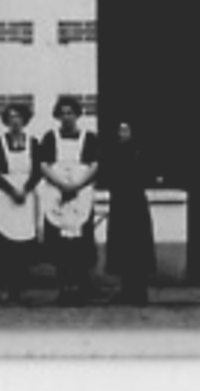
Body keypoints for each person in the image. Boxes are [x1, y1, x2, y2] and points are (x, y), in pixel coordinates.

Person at [35, 95, 100, 304]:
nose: (67, 117)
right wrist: (62, 185)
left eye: (70, 113)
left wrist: (77, 185)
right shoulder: (50, 137)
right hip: (57, 195)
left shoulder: (89, 138)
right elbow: (43, 165)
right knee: (60, 243)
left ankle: (82, 286)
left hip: (81, 194)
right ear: (57, 116)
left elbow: (95, 165)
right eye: (62, 113)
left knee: (81, 241)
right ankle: (63, 286)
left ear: (77, 115)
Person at [0, 102, 41, 303]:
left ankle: (20, 287)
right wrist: (11, 190)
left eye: (18, 117)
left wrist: (26, 190)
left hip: (26, 196)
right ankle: (6, 287)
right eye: (10, 118)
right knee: (6, 242)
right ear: (5, 121)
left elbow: (38, 171)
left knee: (23, 242)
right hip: (5, 195)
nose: (15, 121)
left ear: (25, 120)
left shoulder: (33, 143)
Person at [102, 119, 156, 305]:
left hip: (135, 203)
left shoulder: (139, 152)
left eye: (125, 130)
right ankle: (127, 289)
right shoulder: (113, 152)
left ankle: (140, 291)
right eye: (119, 130)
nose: (121, 134)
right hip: (120, 203)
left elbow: (147, 174)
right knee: (123, 246)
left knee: (137, 246)